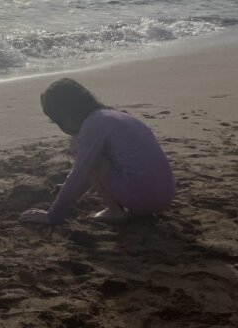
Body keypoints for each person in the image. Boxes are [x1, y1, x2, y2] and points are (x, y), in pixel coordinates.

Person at [20, 77, 174, 225]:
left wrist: (53, 215)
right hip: (164, 196)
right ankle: (124, 205)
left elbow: (80, 173)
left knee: (93, 162)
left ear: (67, 117)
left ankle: (115, 212)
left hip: (145, 200)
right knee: (95, 157)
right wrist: (71, 189)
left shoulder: (92, 126)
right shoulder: (113, 115)